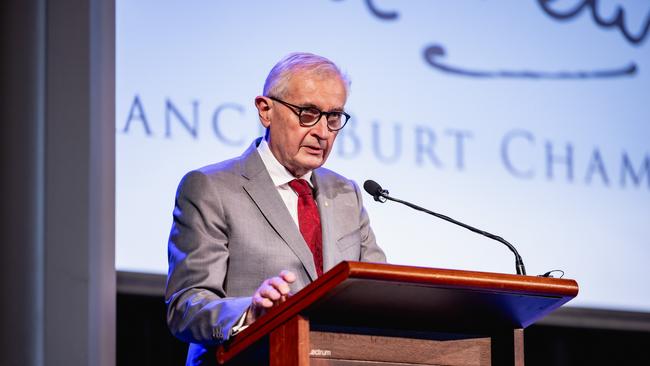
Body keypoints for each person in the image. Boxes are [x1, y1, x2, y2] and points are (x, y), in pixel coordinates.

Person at [165, 52, 386, 364]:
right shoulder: (210, 187)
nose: (322, 132)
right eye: (307, 113)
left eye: (334, 117)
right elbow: (186, 306)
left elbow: (378, 291)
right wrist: (251, 313)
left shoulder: (346, 193)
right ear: (265, 111)